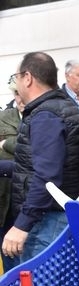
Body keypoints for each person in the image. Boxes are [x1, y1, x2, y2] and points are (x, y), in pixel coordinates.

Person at [0, 52, 79, 262]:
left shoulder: (46, 115)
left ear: (28, 78)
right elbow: (38, 166)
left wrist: (22, 225)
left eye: (17, 77)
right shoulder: (59, 107)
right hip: (54, 217)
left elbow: (47, 176)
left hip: (48, 221)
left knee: (40, 282)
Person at [0, 80, 23, 270]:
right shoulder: (3, 118)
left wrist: (7, 144)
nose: (20, 98)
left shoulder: (43, 117)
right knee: (9, 257)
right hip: (5, 201)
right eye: (16, 93)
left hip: (30, 201)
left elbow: (34, 152)